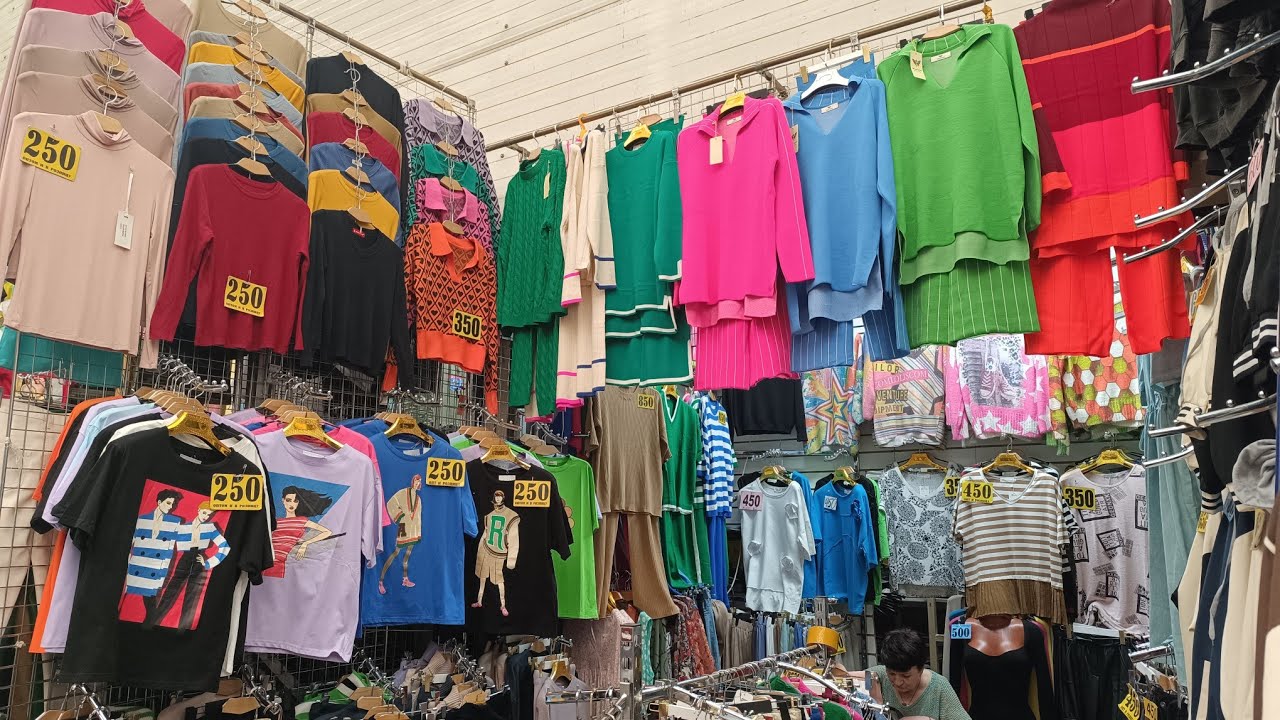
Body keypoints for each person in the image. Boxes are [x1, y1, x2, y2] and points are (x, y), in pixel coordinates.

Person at [145, 502, 229, 629]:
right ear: (199, 510)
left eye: (209, 515)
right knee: (170, 592)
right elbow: (166, 542)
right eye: (204, 513)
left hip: (198, 561)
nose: (206, 517)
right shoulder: (183, 527)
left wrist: (208, 562)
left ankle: (183, 631)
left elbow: (224, 547)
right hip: (184, 559)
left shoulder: (210, 528)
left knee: (192, 598)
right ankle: (152, 625)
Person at [865, 628, 971, 720]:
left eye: (906, 676)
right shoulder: (880, 674)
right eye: (892, 674)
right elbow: (860, 675)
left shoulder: (939, 687)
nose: (898, 682)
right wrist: (875, 698)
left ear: (921, 669)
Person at [126, 489, 185, 617]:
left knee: (151, 604)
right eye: (168, 503)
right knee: (129, 600)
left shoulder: (175, 522)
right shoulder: (142, 519)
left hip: (157, 566)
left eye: (173, 504)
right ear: (159, 502)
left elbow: (176, 545)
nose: (171, 507)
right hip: (138, 564)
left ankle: (149, 621)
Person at [266, 486, 334, 578]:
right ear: (283, 500)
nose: (292, 504)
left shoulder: (301, 521)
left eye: (295, 501)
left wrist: (305, 543)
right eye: (288, 500)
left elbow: (327, 532)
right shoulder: (276, 521)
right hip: (266, 563)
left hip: (280, 564)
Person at [473, 489, 520, 616]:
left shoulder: (511, 515)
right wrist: (479, 550)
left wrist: (511, 559)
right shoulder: (489, 515)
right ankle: (479, 601)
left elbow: (514, 539)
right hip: (485, 549)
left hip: (499, 553)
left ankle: (503, 605)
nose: (498, 499)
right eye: (496, 496)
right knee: (482, 577)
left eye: (500, 496)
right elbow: (485, 533)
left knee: (498, 579)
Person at [379, 474, 424, 593]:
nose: (417, 484)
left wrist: (418, 533)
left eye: (419, 482)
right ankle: (381, 580)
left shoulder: (418, 499)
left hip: (413, 531)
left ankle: (405, 579)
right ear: (412, 482)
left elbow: (418, 518)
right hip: (404, 528)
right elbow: (390, 503)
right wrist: (399, 517)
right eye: (416, 481)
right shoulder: (403, 493)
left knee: (407, 556)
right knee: (396, 553)